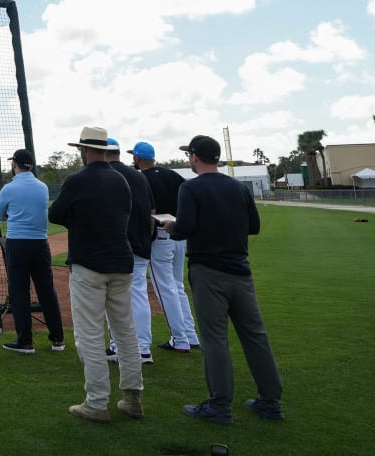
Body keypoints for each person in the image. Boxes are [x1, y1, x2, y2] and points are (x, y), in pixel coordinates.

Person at [159, 135, 285, 425]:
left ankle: (219, 405)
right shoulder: (237, 187)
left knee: (215, 340)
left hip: (208, 272)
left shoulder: (190, 188)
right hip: (240, 271)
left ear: (194, 157)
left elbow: (185, 227)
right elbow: (253, 226)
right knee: (256, 337)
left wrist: (170, 225)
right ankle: (271, 401)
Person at [47, 125, 144, 423]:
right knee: (125, 331)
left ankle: (97, 402)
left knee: (90, 333)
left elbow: (55, 214)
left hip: (89, 264)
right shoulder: (121, 180)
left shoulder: (78, 180)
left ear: (85, 151)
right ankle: (132, 397)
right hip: (121, 262)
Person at [0, 148, 66, 354]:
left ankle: (25, 341)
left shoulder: (9, 188)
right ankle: (57, 339)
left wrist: (13, 215)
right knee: (47, 291)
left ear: (14, 164)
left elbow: (0, 215)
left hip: (17, 243)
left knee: (19, 292)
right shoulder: (42, 187)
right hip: (40, 244)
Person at [134, 141, 199, 354]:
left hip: (161, 234)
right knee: (177, 286)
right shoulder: (171, 174)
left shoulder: (140, 178)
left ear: (137, 158)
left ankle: (180, 339)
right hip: (180, 233)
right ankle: (190, 335)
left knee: (165, 288)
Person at [105, 137, 156, 365]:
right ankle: (143, 349)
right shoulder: (138, 175)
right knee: (138, 294)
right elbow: (152, 209)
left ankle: (117, 346)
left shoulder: (105, 176)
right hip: (141, 242)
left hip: (116, 245)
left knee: (114, 297)